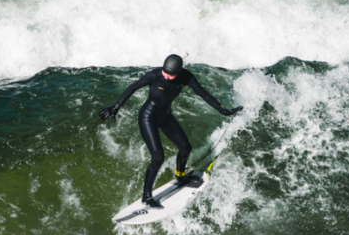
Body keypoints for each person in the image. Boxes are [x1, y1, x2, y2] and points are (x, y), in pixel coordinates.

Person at [98, 53, 243, 208]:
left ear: (179, 72)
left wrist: (224, 110)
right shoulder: (155, 75)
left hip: (165, 116)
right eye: (165, 73)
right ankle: (147, 196)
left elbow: (204, 94)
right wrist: (116, 107)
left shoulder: (186, 77)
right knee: (158, 157)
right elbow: (133, 86)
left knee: (186, 148)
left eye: (171, 75)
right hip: (148, 117)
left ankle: (180, 176)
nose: (166, 77)